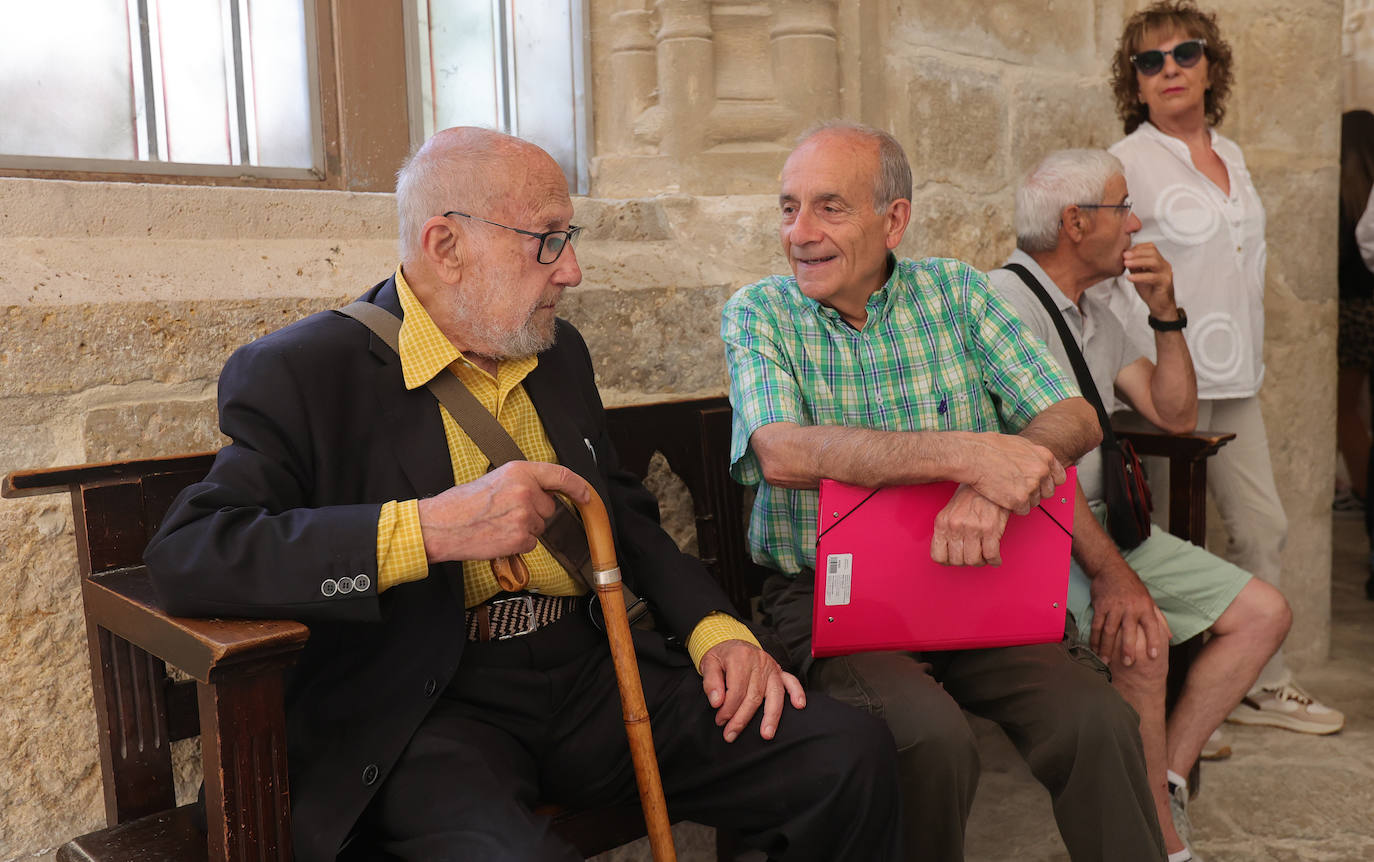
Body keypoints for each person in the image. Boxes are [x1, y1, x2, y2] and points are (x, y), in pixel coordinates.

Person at [143, 127, 905, 862]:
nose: (569, 270)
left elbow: (620, 511)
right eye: (547, 240)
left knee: (848, 755)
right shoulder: (307, 372)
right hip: (432, 706)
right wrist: (429, 529)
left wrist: (716, 629)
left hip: (592, 667)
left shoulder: (553, 349)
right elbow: (192, 553)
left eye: (569, 238)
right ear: (447, 247)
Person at [721, 121, 1165, 862]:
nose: (799, 232)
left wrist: (995, 483)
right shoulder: (761, 311)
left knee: (1096, 718)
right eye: (788, 207)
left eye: (829, 207)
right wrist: (967, 456)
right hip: (833, 596)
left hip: (977, 580)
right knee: (929, 737)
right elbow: (781, 451)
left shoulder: (956, 293)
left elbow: (1073, 414)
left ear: (893, 220)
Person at [988, 148, 1293, 862]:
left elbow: (1173, 414)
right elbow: (1031, 474)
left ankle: (1164, 776)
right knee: (1142, 641)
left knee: (1263, 614)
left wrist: (1166, 315)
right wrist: (1112, 575)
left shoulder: (1099, 303)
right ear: (1075, 222)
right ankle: (1158, 839)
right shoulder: (1006, 306)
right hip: (1045, 535)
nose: (1137, 222)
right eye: (1124, 207)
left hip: (1112, 525)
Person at [1105, 0, 1344, 734]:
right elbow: (1108, 273)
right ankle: (1166, 696)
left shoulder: (1231, 155)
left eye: (1185, 53)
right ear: (1135, 83)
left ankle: (1259, 683)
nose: (1170, 69)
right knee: (1161, 539)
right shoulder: (1127, 163)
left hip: (1233, 376)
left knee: (1262, 526)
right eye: (1151, 61)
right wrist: (1132, 371)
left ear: (1211, 65)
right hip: (1160, 378)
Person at [1338, 109, 1374, 601]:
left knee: (1345, 410)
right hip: (1371, 307)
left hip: (1350, 311)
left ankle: (1364, 494)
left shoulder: (1344, 189)